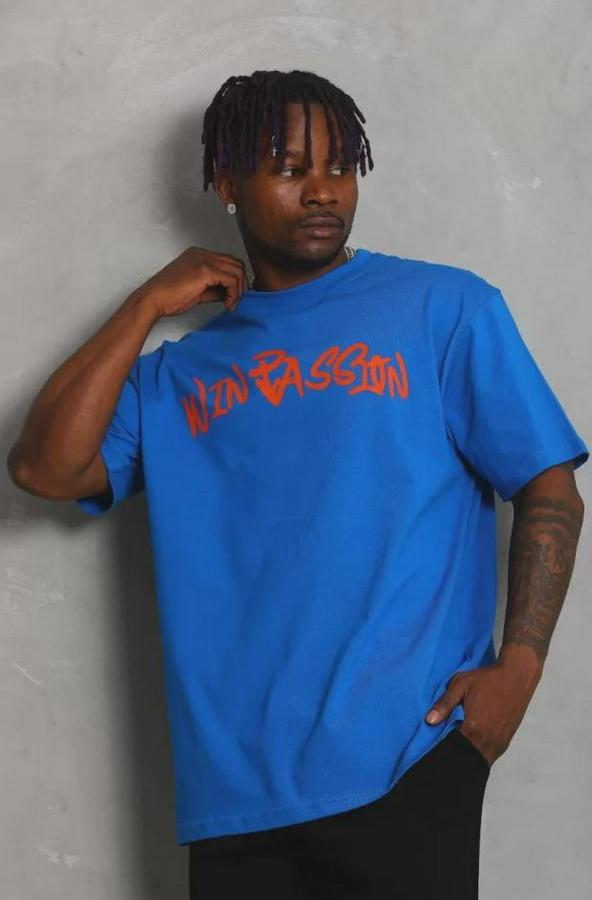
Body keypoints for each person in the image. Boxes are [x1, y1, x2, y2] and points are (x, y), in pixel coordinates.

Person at [6, 69, 588, 899]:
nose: (322, 191)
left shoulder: (443, 310)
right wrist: (143, 306)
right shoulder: (178, 376)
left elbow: (549, 487)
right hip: (234, 795)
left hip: (410, 760)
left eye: (341, 167)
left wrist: (520, 670)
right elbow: (44, 468)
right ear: (227, 184)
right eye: (289, 168)